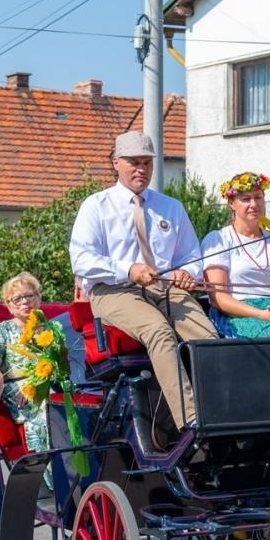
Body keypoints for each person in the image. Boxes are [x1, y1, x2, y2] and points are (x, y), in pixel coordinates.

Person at [69, 129, 215, 428]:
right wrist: (128, 269)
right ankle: (192, 422)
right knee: (159, 331)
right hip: (114, 291)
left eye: (147, 163)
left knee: (207, 337)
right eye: (133, 162)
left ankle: (222, 410)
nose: (141, 169)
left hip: (165, 289)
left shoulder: (170, 207)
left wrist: (187, 273)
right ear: (116, 163)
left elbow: (191, 255)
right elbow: (82, 260)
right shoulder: (96, 206)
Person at [202, 171, 270, 338]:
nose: (254, 204)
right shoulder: (219, 240)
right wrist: (261, 314)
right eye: (246, 199)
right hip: (237, 316)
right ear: (231, 203)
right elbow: (218, 298)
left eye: (258, 197)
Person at [0, 273, 53, 453]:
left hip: (48, 385)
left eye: (29, 296)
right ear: (9, 306)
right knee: (45, 413)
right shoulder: (2, 330)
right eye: (17, 299)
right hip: (17, 391)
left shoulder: (51, 328)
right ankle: (47, 473)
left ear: (38, 299)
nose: (24, 302)